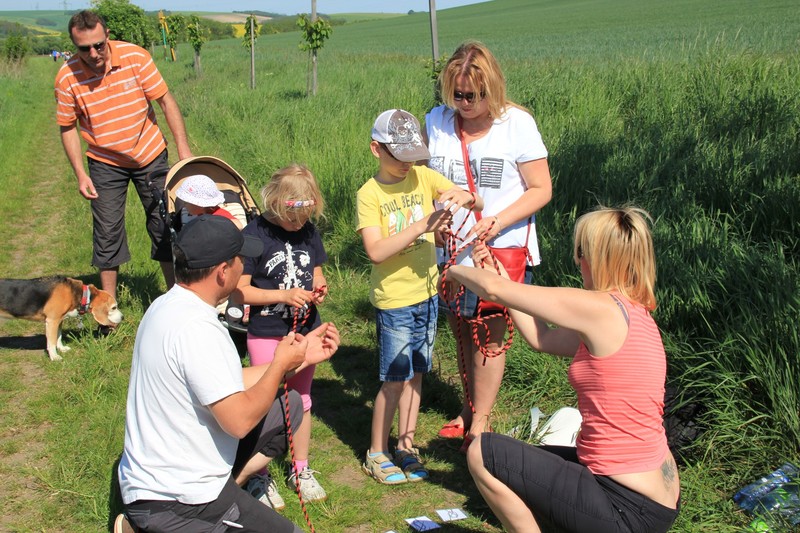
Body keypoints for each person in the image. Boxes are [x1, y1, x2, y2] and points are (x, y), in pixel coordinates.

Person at [446, 206, 681, 533]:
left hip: (625, 505)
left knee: (481, 453)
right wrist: (499, 276)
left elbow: (494, 292)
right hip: (655, 499)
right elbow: (542, 338)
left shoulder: (600, 309)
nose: (576, 260)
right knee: (522, 467)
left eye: (580, 251)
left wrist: (454, 269)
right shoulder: (631, 313)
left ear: (597, 257)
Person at [115, 215, 340, 533]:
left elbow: (226, 381)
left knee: (288, 403)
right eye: (240, 259)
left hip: (157, 480)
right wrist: (278, 365)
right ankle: (157, 526)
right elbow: (239, 422)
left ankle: (219, 499)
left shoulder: (166, 305)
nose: (245, 266)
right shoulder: (200, 329)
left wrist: (300, 358)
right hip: (180, 498)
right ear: (223, 271)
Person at [424, 40, 553, 450]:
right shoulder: (436, 122)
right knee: (461, 329)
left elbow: (541, 189)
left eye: (473, 95)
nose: (464, 104)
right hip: (451, 250)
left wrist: (496, 221)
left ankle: (481, 421)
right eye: (456, 94)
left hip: (498, 249)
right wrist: (432, 224)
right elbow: (425, 181)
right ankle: (469, 406)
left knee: (489, 334)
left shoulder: (517, 125)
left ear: (491, 87)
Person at [357, 109, 483, 484]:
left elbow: (474, 203)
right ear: (376, 149)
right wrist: (423, 226)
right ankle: (376, 453)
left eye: (414, 156)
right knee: (395, 378)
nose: (407, 164)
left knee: (416, 375)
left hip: (427, 295)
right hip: (395, 300)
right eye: (400, 156)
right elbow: (376, 251)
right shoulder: (369, 194)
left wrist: (465, 196)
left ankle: (406, 446)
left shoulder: (423, 177)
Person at [55, 10, 193, 301]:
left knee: (164, 224)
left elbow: (166, 102)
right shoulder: (67, 77)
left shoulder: (136, 57)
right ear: (74, 44)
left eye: (98, 45)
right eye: (84, 48)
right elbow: (67, 127)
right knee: (107, 231)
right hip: (105, 162)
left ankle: (175, 298)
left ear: (107, 36)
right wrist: (80, 174)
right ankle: (108, 307)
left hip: (150, 154)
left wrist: (184, 151)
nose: (93, 53)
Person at [232, 164, 330, 505]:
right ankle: (259, 475)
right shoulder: (254, 235)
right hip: (267, 332)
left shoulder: (308, 230)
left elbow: (316, 270)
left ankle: (300, 469)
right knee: (265, 401)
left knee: (302, 399)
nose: (299, 224)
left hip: (305, 330)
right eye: (293, 218)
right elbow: (240, 292)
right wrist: (283, 295)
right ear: (275, 202)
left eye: (305, 217)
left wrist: (318, 287)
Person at [176, 173, 242, 228]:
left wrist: (214, 225)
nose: (184, 205)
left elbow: (239, 225)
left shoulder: (218, 215)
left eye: (186, 202)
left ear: (200, 205)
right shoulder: (196, 214)